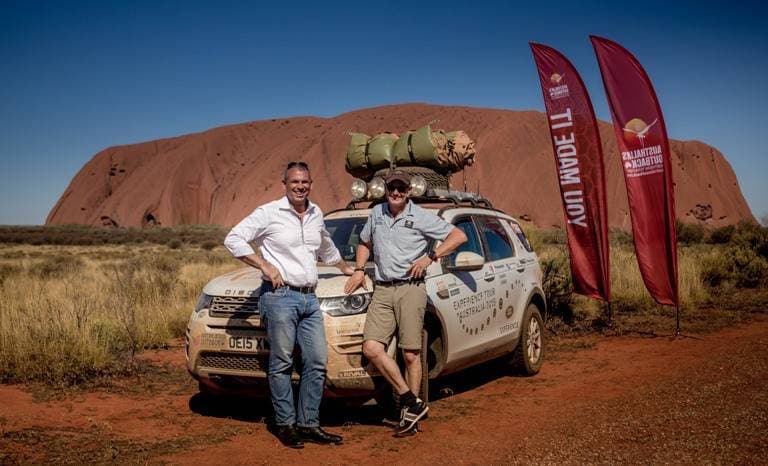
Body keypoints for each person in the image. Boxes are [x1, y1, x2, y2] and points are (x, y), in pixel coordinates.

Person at [224, 161, 354, 449]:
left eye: (305, 182)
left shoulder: (316, 212)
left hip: (310, 297)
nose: (300, 186)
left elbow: (326, 247)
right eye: (294, 182)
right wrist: (264, 264)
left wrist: (347, 269)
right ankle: (285, 424)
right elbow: (233, 238)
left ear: (310, 183)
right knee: (281, 362)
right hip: (280, 297)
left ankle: (308, 424)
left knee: (317, 362)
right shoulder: (269, 213)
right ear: (285, 184)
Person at [344, 170, 467, 437]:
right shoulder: (376, 213)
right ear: (386, 189)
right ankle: (412, 400)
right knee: (372, 348)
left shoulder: (421, 217)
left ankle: (409, 416)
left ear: (409, 191)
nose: (396, 193)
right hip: (383, 289)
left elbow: (458, 236)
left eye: (401, 188)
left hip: (411, 288)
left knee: (411, 353)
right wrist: (359, 269)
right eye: (392, 188)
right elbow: (364, 242)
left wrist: (430, 257)